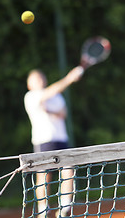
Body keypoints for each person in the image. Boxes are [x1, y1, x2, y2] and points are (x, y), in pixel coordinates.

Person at [24, 66, 83, 218]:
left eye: (41, 78)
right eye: (35, 79)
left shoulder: (57, 96)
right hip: (43, 142)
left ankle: (64, 209)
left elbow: (63, 113)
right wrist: (69, 78)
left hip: (61, 140)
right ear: (29, 84)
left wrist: (49, 111)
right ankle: (43, 210)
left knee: (69, 171)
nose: (40, 81)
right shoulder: (30, 96)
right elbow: (51, 93)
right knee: (44, 176)